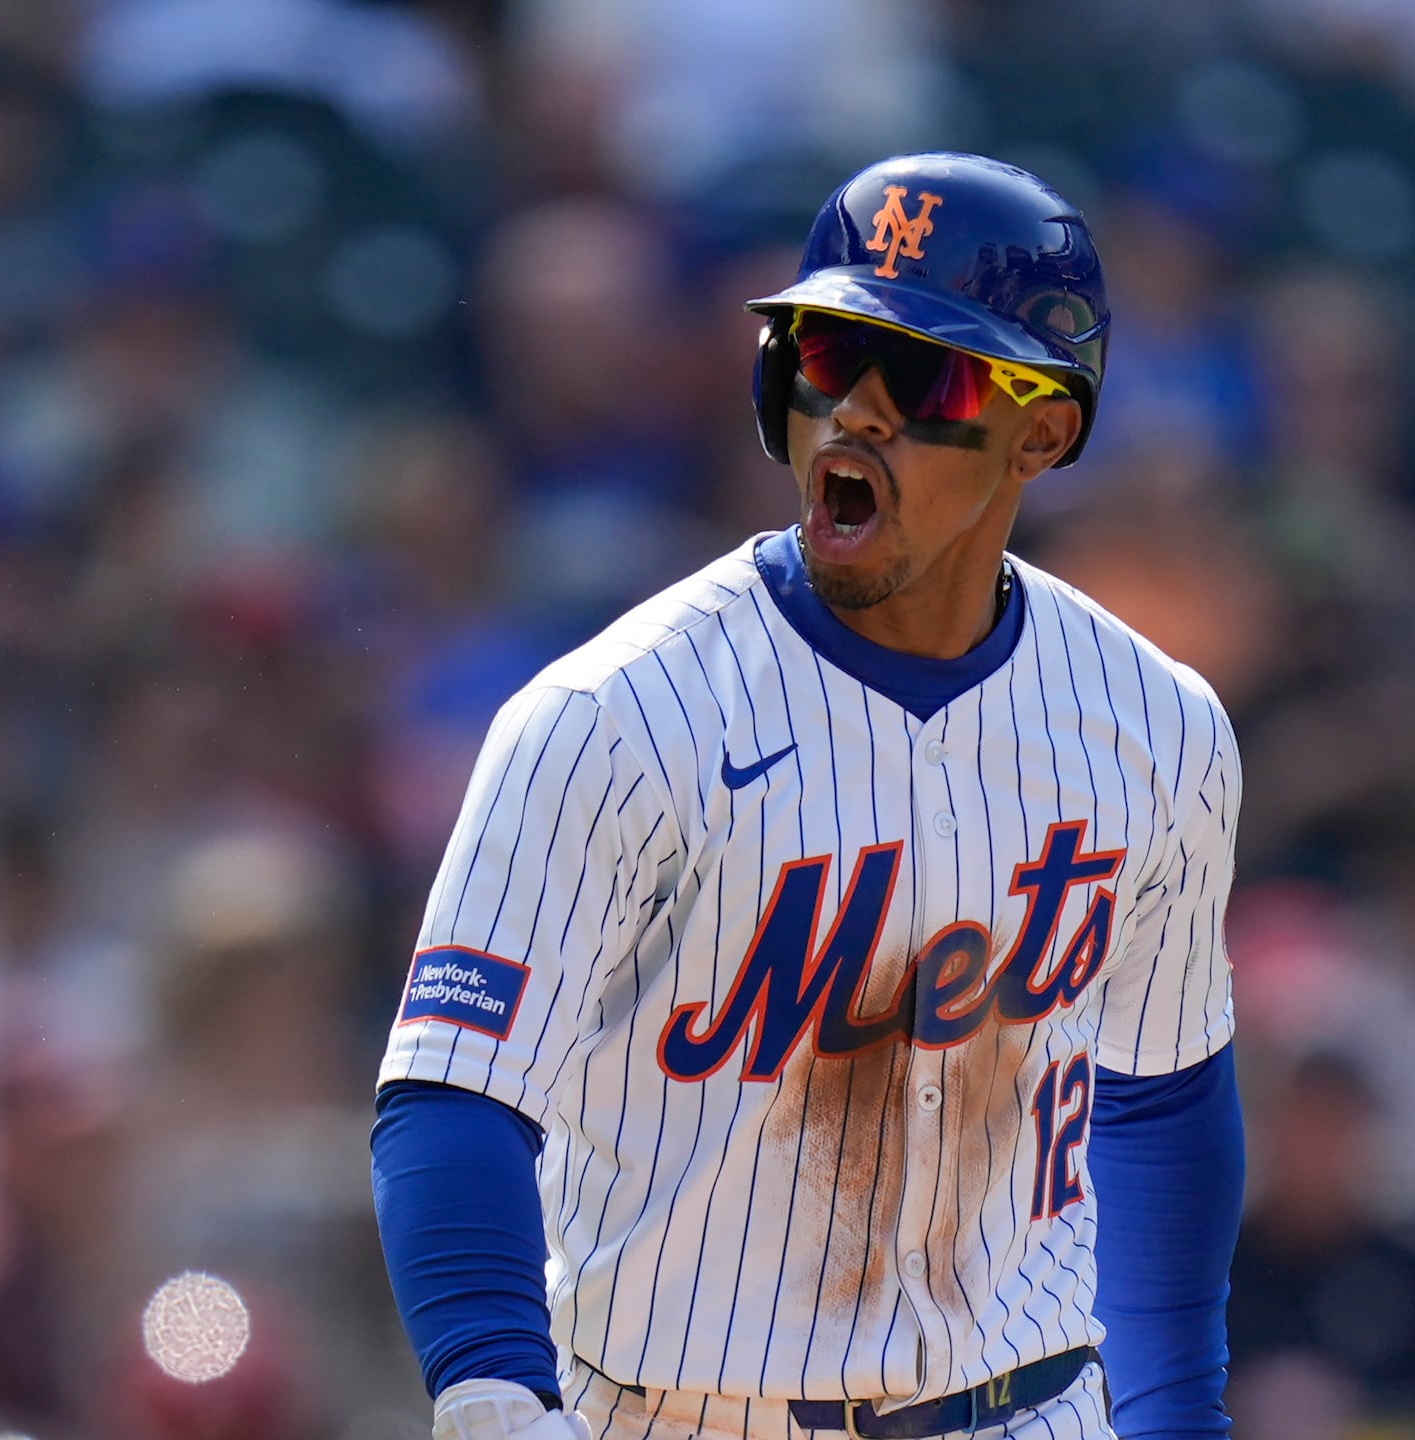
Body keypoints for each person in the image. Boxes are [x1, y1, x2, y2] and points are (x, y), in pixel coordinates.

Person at [369, 153, 1246, 1440]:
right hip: (681, 1414)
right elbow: (455, 1091)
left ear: (1044, 431)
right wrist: (494, 1384)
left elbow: (1159, 1097)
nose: (858, 414)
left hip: (1033, 1405)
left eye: (926, 377)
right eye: (829, 359)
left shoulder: (1158, 723)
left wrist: (1175, 1419)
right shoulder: (613, 717)